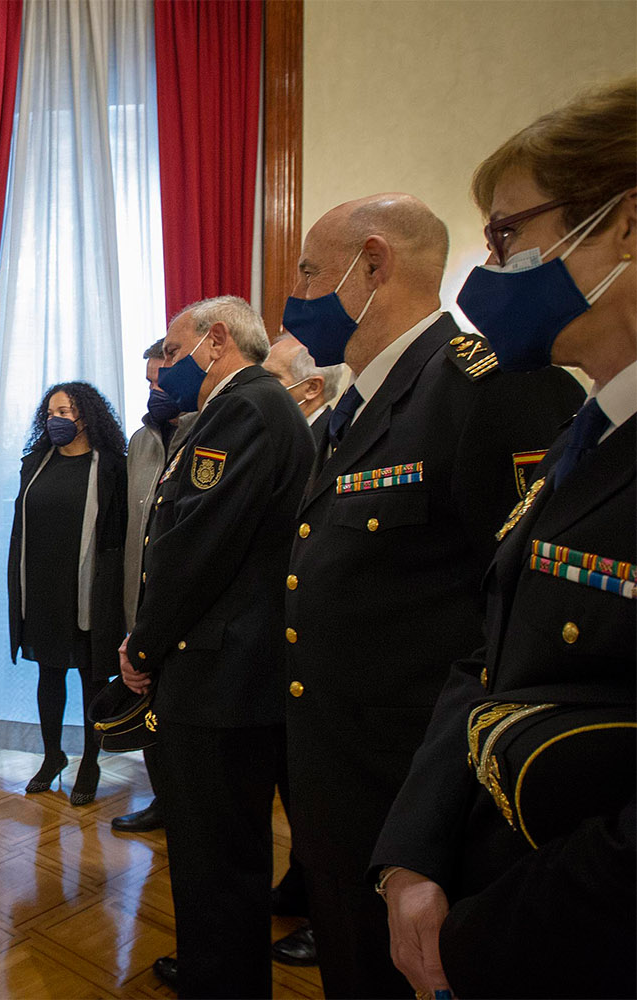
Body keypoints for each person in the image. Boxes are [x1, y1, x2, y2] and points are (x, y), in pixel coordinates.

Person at [281, 192, 584, 998]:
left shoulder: (486, 386)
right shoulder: (354, 405)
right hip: (335, 780)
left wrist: (433, 825)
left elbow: (517, 626)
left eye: (312, 271)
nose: (299, 293)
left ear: (373, 264)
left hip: (415, 793)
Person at [373, 77, 636, 1000]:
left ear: (625, 226)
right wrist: (411, 854)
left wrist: (481, 939)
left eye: (507, 233)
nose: (492, 267)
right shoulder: (591, 433)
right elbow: (488, 660)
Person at [118, 296, 314, 997]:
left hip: (223, 671)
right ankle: (213, 968)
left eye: (172, 353)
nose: (164, 367)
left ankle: (220, 981)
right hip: (231, 664)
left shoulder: (244, 409)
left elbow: (194, 548)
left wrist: (142, 647)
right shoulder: (253, 408)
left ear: (216, 341)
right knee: (217, 853)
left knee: (217, 855)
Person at [7, 381, 127, 805]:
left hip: (90, 589)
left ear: (86, 417)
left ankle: (91, 762)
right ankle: (52, 755)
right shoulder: (35, 462)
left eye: (65, 413)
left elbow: (120, 536)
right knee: (49, 672)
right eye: (51, 414)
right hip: (41, 586)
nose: (56, 421)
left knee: (94, 676)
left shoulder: (112, 466)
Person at [110, 338, 195, 835]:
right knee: (145, 701)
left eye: (161, 379)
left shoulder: (208, 430)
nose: (154, 389)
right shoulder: (141, 441)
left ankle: (186, 804)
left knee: (179, 709)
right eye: (148, 382)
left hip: (179, 601)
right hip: (137, 597)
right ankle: (162, 797)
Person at [263, 333, 348, 450]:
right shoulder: (266, 430)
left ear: (312, 388)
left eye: (271, 376)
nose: (260, 383)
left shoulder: (334, 444)